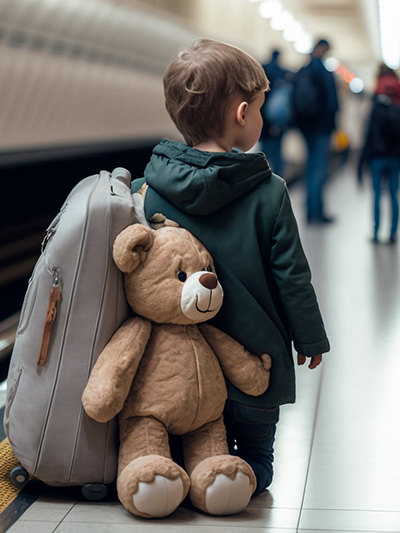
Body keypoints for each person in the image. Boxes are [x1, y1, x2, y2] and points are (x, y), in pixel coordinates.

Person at [131, 38, 330, 496]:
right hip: (255, 364)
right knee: (258, 459)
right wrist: (311, 337)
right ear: (242, 114)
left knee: (188, 446)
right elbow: (292, 276)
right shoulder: (270, 191)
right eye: (260, 108)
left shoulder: (148, 189)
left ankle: (178, 480)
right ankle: (235, 483)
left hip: (178, 369)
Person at [293, 38, 339, 224]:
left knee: (311, 167)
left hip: (306, 128)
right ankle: (316, 212)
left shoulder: (302, 70)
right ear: (323, 48)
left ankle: (310, 210)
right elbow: (332, 103)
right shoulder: (324, 72)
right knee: (318, 168)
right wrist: (333, 126)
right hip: (321, 128)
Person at [358, 64, 400, 243]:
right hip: (395, 156)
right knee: (393, 194)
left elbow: (369, 134)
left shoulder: (376, 104)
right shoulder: (397, 101)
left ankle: (375, 233)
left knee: (376, 194)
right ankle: (392, 234)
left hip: (377, 156)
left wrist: (361, 162)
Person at [260, 49, 293, 175]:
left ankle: (263, 178)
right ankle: (277, 181)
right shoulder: (282, 73)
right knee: (278, 151)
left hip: (262, 120)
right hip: (278, 120)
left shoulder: (262, 70)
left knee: (264, 153)